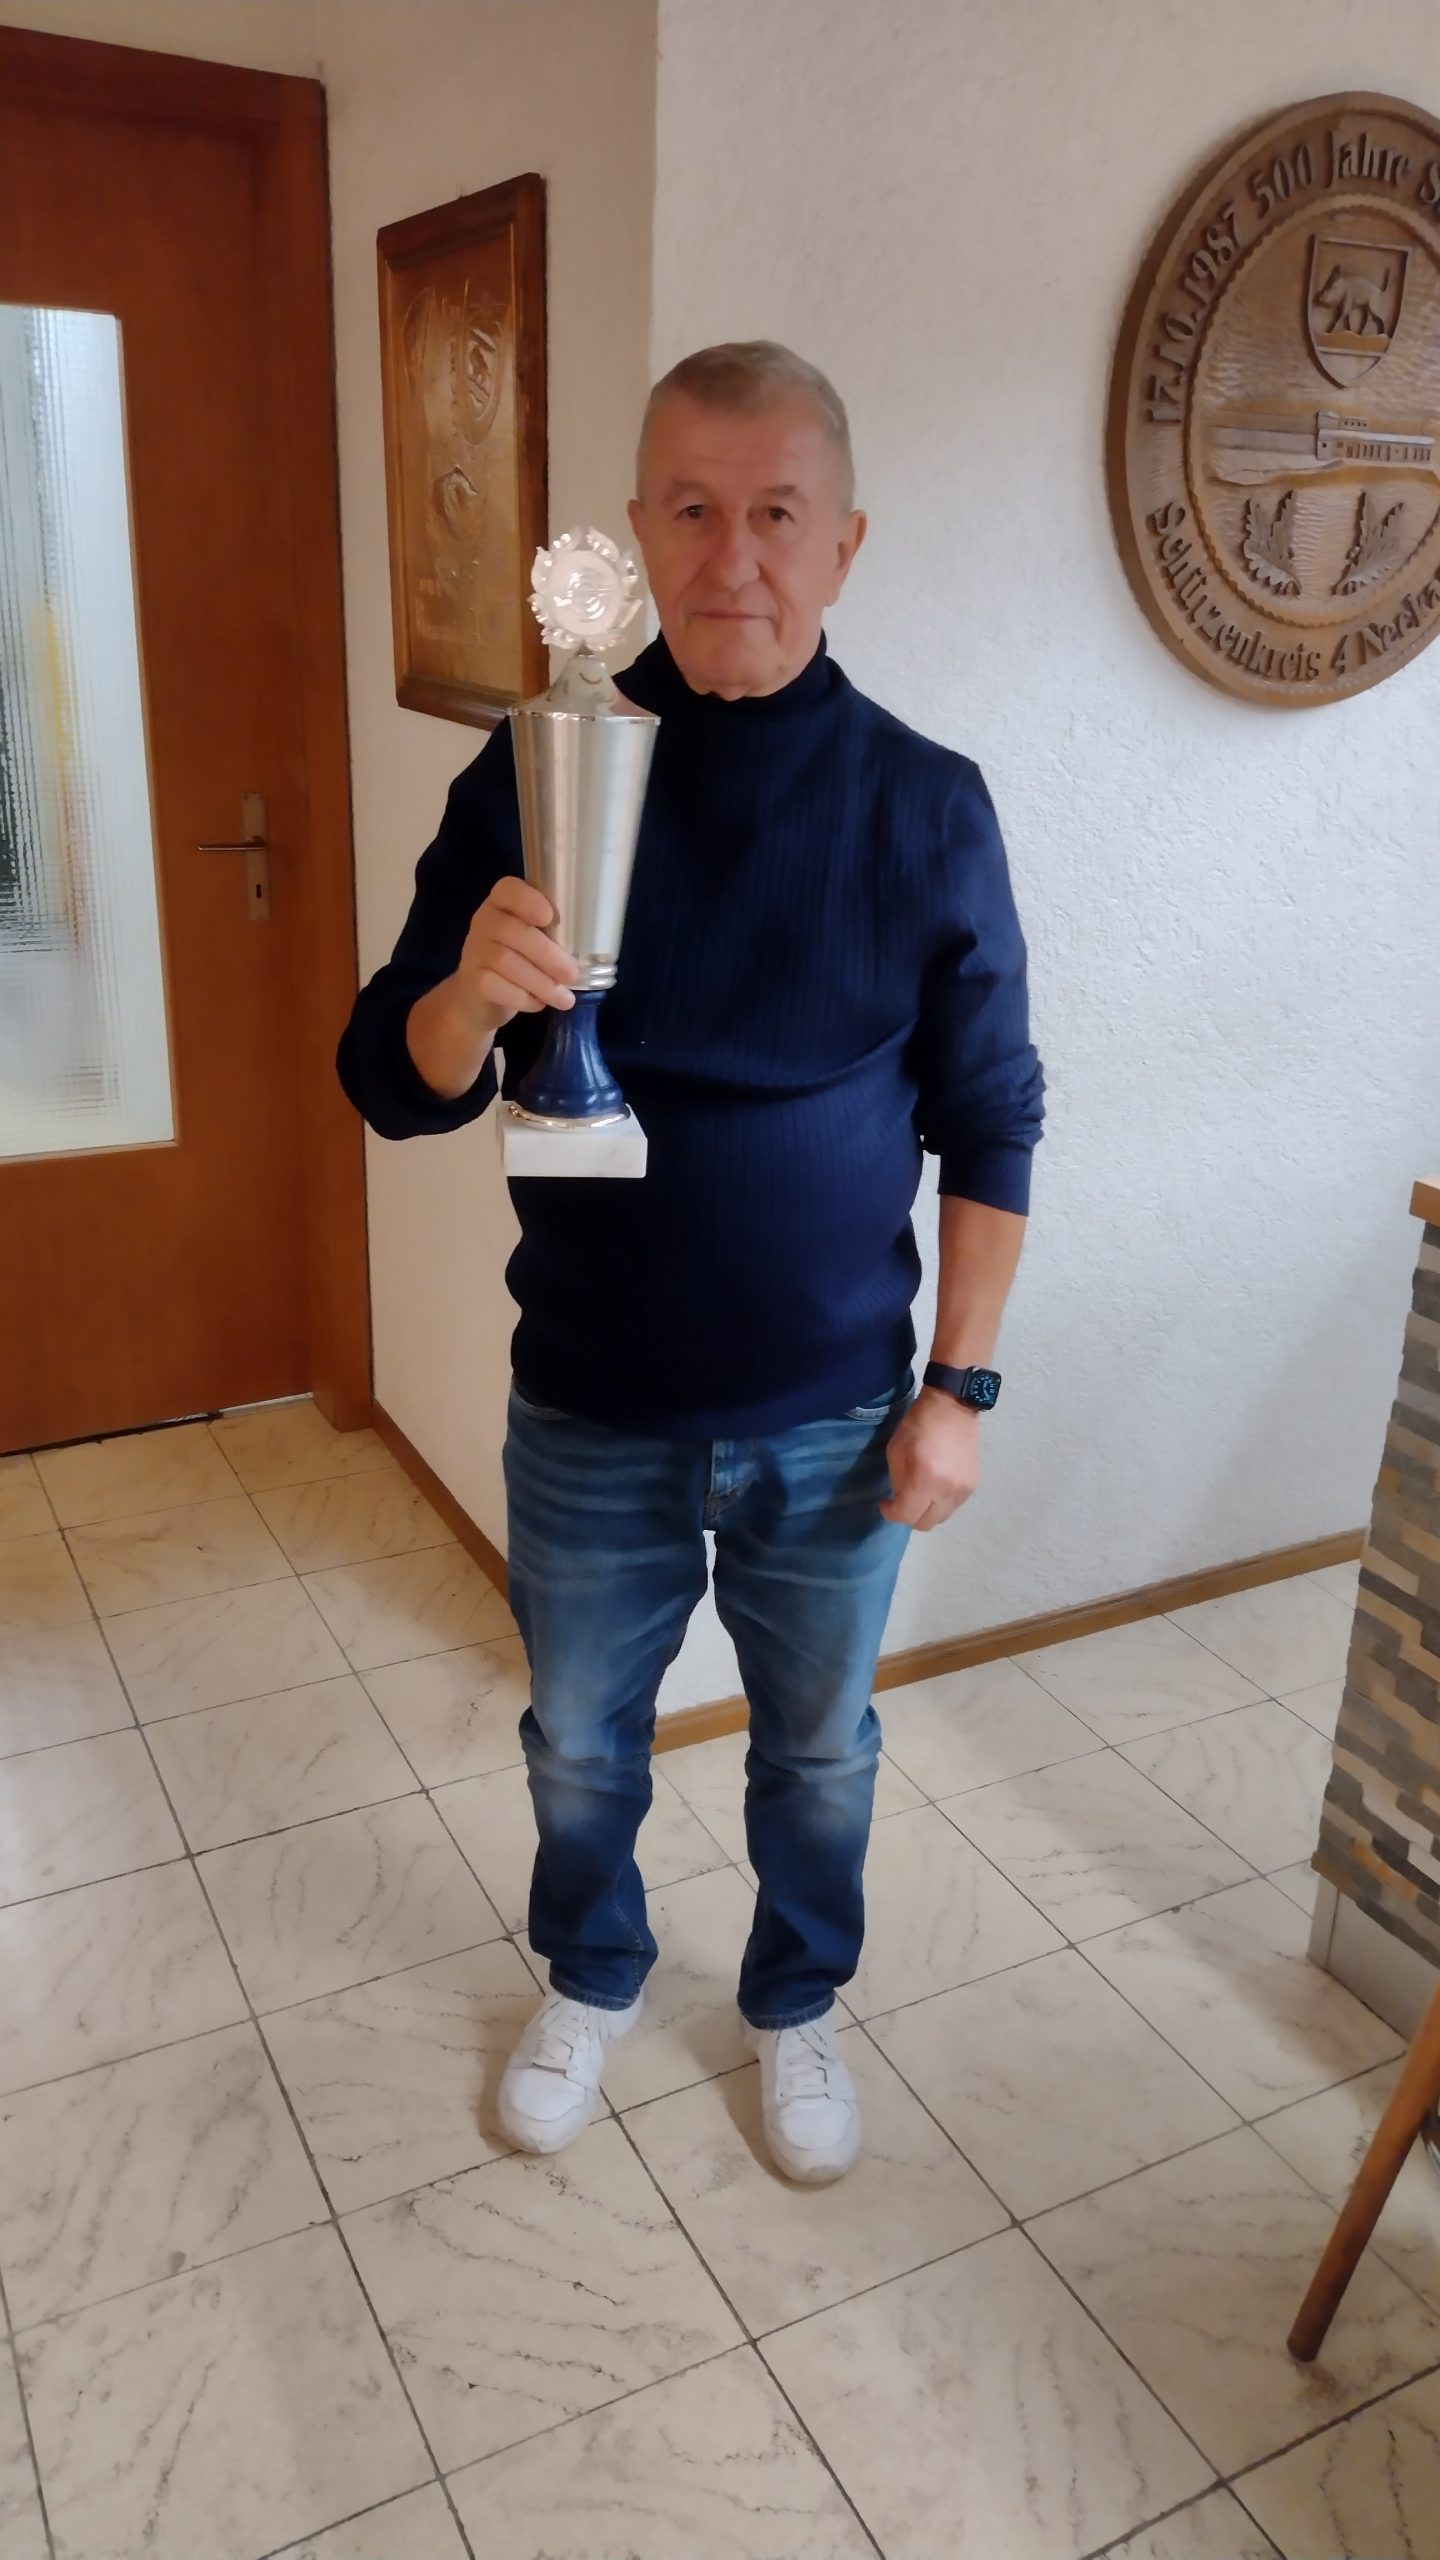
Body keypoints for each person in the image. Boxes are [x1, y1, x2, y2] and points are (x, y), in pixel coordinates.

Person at [337, 341, 1043, 2184]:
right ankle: (592, 1972)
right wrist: (467, 994)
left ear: (845, 542)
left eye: (778, 515)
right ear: (639, 532)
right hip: (591, 1402)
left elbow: (993, 1116)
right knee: (580, 1744)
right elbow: (389, 1080)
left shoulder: (927, 804)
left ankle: (797, 2002)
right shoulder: (536, 771)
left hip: (837, 1414)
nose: (736, 558)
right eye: (696, 512)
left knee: (818, 1752)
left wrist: (959, 1391)